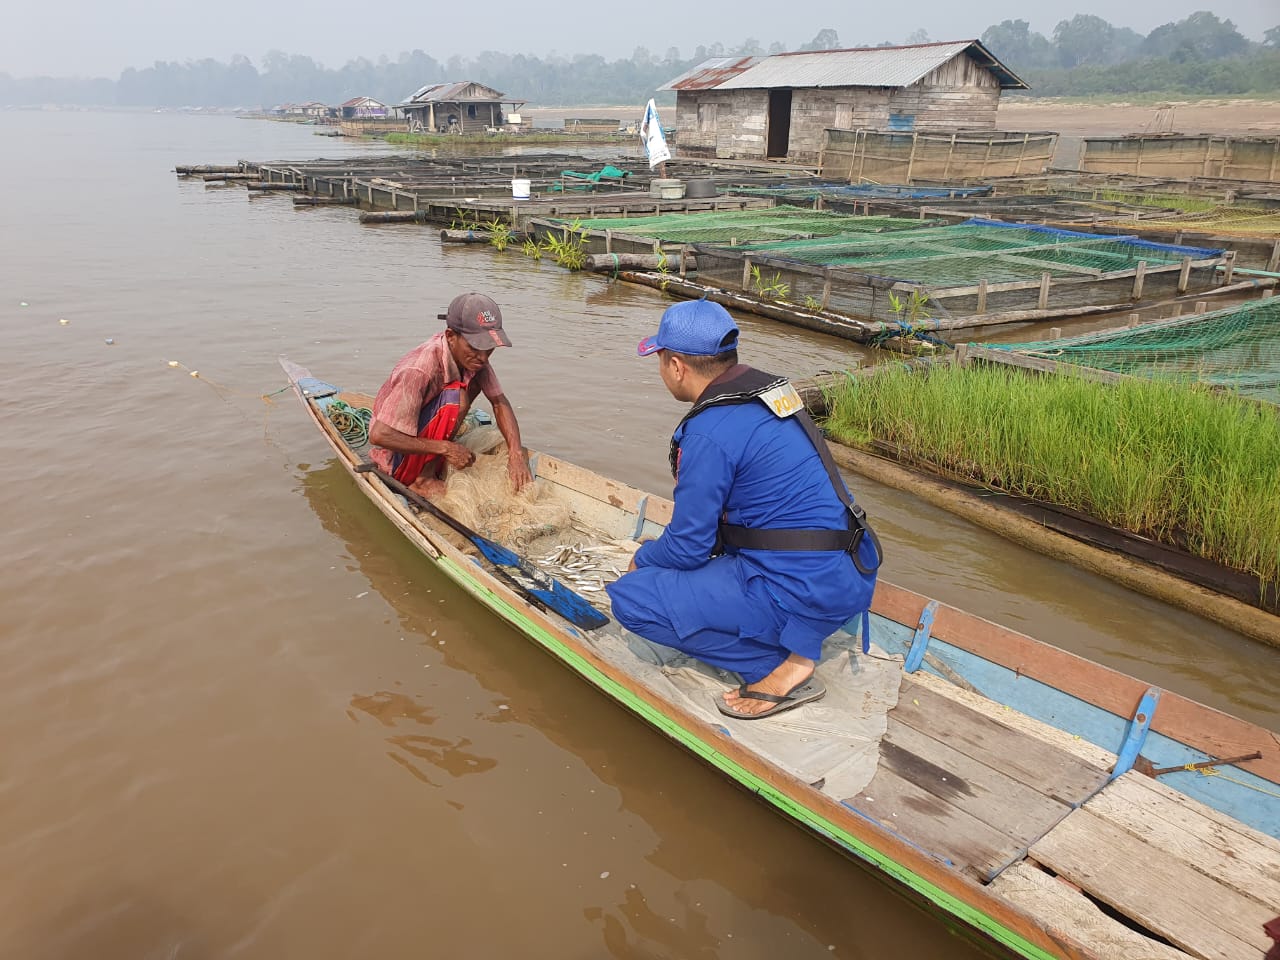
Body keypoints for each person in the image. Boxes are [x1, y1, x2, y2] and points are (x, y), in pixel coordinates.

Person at [605, 299, 882, 720]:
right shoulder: (771, 393)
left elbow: (688, 547)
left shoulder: (707, 433)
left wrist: (642, 558)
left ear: (676, 366)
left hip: (802, 589)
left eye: (660, 360)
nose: (661, 370)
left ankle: (780, 667)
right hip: (852, 571)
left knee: (631, 599)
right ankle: (793, 640)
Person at [368, 293, 532, 497]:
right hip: (395, 457)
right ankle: (422, 480)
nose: (483, 357)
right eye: (475, 347)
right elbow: (379, 435)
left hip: (425, 443)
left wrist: (515, 455)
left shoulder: (474, 361)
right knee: (459, 398)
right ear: (450, 336)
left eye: (488, 348)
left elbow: (499, 402)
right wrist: (446, 448)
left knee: (470, 386)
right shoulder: (418, 370)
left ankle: (431, 467)